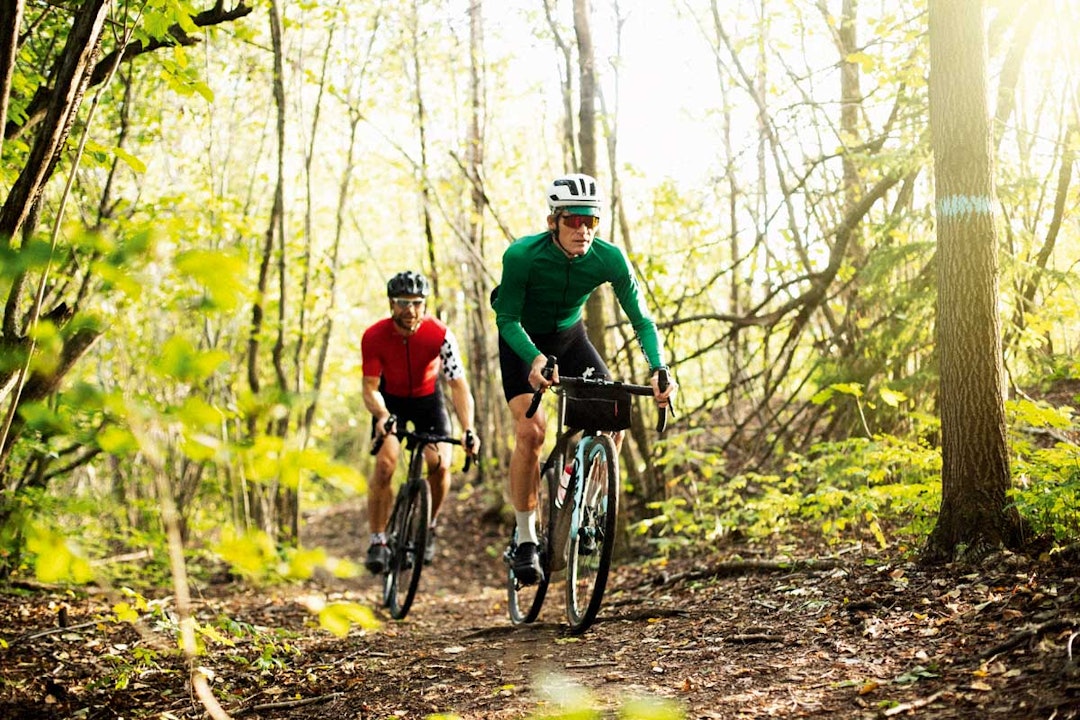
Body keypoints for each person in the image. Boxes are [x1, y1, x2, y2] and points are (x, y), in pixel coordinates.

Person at [491, 172, 676, 585]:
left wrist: (659, 367)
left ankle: (586, 508)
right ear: (552, 221)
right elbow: (506, 318)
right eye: (573, 220)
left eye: (590, 221)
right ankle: (524, 539)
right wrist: (536, 359)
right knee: (532, 432)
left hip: (571, 337)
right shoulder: (522, 256)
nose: (582, 230)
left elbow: (642, 319)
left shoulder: (609, 259)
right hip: (522, 340)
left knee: (614, 418)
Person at [361, 270, 480, 574]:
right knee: (386, 463)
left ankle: (428, 525)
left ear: (425, 304)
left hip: (428, 401)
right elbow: (370, 388)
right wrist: (383, 416)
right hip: (391, 402)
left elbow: (458, 385)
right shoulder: (374, 336)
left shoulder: (440, 335)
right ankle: (378, 540)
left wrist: (468, 429)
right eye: (402, 302)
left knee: (439, 464)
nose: (410, 309)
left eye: (416, 302)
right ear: (391, 304)